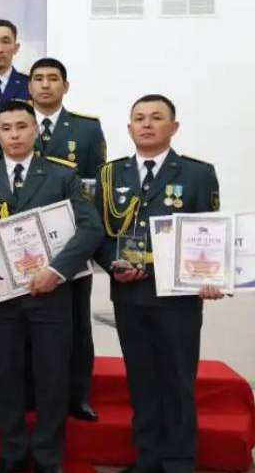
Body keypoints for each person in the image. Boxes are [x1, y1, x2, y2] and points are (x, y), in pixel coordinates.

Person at [0, 100, 104, 473]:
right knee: (6, 376)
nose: (14, 135)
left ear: (35, 131)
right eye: (6, 128)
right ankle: (11, 453)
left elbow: (91, 227)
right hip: (0, 298)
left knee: (52, 377)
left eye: (22, 127)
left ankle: (47, 457)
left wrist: (57, 270)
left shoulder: (62, 175)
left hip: (51, 294)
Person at [93, 94, 224, 473]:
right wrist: (111, 265)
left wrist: (211, 277)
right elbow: (98, 233)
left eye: (156, 117)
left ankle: (180, 461)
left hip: (178, 299)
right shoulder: (111, 174)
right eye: (139, 118)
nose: (146, 124)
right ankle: (147, 459)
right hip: (129, 294)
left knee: (178, 382)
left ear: (174, 127)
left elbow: (209, 234)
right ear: (129, 127)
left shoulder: (198, 174)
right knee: (142, 381)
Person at [28, 57, 107, 421]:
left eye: (53, 79)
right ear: (29, 87)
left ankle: (78, 395)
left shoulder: (87, 130)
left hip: (72, 242)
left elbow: (95, 187)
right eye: (38, 79)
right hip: (24, 244)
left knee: (77, 322)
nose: (45, 85)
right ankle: (33, 391)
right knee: (25, 320)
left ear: (65, 86)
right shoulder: (13, 124)